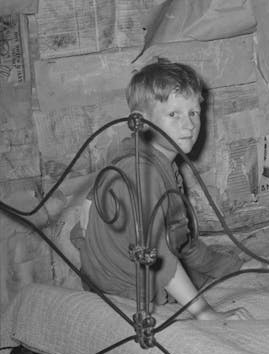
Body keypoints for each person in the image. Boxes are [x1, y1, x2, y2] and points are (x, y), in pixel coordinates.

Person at [79, 58, 250, 322]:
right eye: (174, 114)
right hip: (125, 297)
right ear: (142, 121)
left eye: (194, 112)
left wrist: (235, 267)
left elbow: (180, 242)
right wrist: (206, 313)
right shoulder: (142, 173)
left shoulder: (150, 159)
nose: (190, 125)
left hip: (130, 279)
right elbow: (160, 257)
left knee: (236, 274)